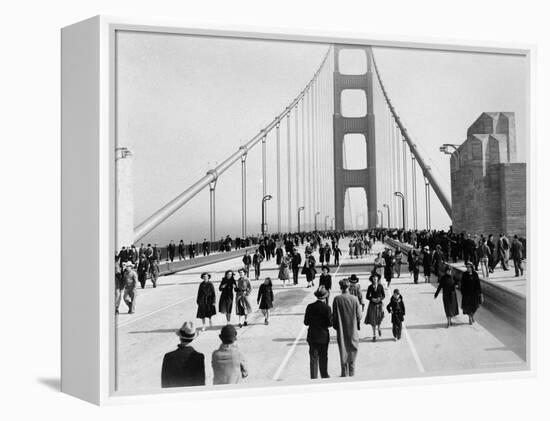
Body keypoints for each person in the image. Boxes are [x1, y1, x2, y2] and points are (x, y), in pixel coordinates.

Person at [332, 279, 362, 377]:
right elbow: (359, 316)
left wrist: (337, 327)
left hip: (342, 331)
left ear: (341, 288)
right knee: (353, 351)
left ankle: (344, 373)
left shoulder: (337, 299)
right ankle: (352, 373)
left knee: (343, 350)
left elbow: (334, 317)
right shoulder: (354, 299)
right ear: (349, 287)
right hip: (352, 330)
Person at [161, 321, 205, 388]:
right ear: (192, 339)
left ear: (180, 337)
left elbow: (164, 382)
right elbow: (201, 382)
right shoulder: (199, 357)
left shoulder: (168, 357)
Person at [304, 286, 332, 379]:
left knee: (313, 358)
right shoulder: (327, 308)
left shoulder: (310, 306)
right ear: (325, 297)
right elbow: (330, 323)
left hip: (312, 335)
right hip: (323, 336)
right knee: (323, 357)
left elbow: (306, 322)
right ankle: (324, 375)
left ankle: (314, 377)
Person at [364, 273, 385, 342]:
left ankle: (379, 327)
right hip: (372, 305)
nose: (375, 279)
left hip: (379, 305)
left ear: (378, 279)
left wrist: (380, 298)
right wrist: (372, 299)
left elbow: (383, 295)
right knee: (373, 321)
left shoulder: (380, 286)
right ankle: (374, 335)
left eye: (376, 278)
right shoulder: (370, 287)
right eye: (374, 278)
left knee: (379, 318)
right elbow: (367, 296)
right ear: (372, 279)